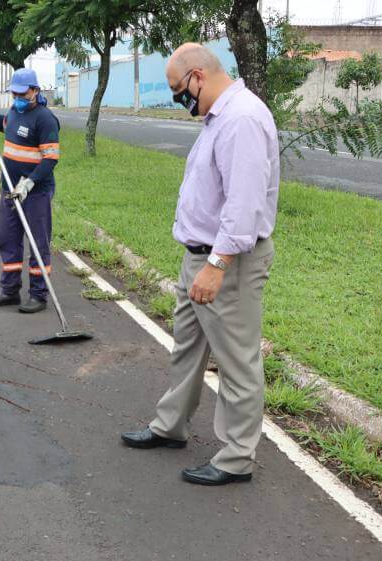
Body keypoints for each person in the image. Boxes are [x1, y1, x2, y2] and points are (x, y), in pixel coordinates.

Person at [119, 43, 279, 486]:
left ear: (198, 76)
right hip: (200, 257)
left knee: (237, 361)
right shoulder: (219, 118)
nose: (179, 100)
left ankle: (236, 458)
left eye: (178, 91)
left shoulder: (242, 118)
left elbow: (243, 205)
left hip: (229, 262)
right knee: (187, 348)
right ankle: (170, 426)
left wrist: (217, 264)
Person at [0, 68, 61, 314]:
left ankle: (39, 295)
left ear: (35, 91)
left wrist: (29, 183)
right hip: (10, 188)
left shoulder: (45, 119)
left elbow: (50, 158)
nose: (18, 97)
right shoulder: (14, 111)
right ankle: (9, 290)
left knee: (38, 242)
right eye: (14, 93)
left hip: (35, 192)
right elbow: (3, 125)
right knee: (8, 239)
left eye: (22, 93)